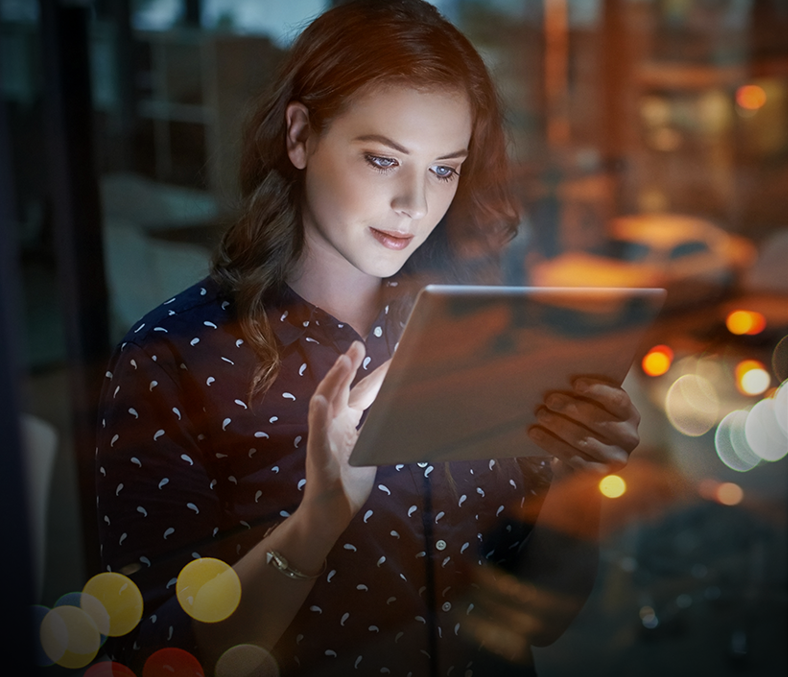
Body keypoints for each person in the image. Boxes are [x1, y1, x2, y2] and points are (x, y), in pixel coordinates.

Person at [96, 2, 640, 675]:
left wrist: (580, 478)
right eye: (383, 160)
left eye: (444, 169)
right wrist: (320, 516)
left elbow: (540, 615)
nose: (415, 205)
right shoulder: (175, 357)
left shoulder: (477, 335)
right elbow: (157, 652)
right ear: (299, 136)